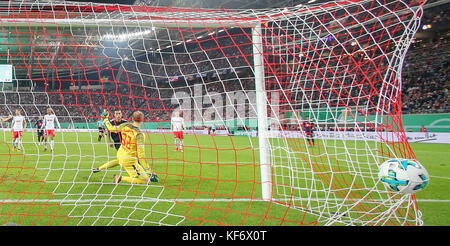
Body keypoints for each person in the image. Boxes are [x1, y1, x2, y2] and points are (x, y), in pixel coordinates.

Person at [103, 111, 158, 185]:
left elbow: (111, 128)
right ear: (142, 120)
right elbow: (141, 156)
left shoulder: (125, 125)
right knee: (147, 181)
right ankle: (120, 177)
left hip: (120, 154)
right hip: (129, 160)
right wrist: (149, 170)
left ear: (132, 118)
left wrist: (106, 119)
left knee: (136, 176)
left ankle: (133, 175)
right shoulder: (139, 135)